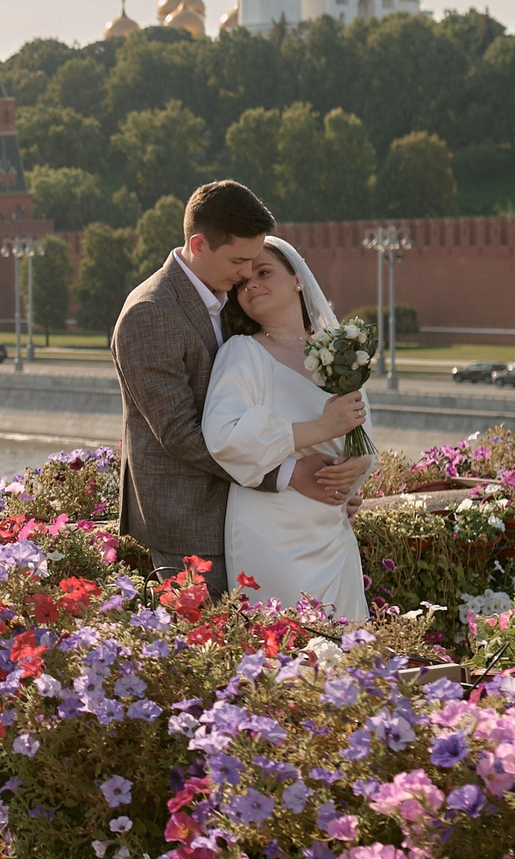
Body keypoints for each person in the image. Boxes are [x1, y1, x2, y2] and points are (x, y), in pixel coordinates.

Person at [111, 181, 361, 593]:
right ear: (199, 244)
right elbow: (181, 435)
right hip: (190, 522)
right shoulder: (149, 314)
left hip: (251, 514)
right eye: (239, 260)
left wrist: (337, 486)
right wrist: (289, 473)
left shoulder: (227, 299)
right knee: (214, 652)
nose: (247, 273)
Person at [203, 237, 372, 618]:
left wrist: (357, 470)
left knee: (344, 655)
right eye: (243, 282)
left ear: (298, 279)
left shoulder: (339, 357)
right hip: (271, 529)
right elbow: (223, 437)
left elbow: (362, 435)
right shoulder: (243, 353)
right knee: (287, 644)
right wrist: (318, 428)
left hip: (332, 527)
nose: (252, 285)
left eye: (264, 273)